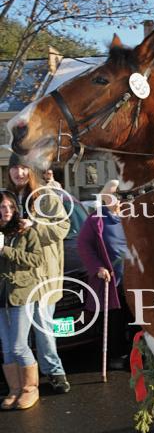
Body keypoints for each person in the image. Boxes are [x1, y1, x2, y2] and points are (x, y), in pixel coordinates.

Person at [7, 154, 71, 394]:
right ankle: (22, 379)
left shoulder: (45, 196)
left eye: (24, 168)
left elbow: (63, 227)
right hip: (15, 274)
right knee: (16, 331)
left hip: (42, 272)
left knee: (43, 327)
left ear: (31, 170)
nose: (19, 173)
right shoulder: (6, 197)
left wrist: (35, 226)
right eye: (15, 168)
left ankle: (55, 373)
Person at [77, 180, 131, 370]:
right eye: (111, 193)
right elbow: (84, 246)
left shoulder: (132, 215)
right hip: (112, 279)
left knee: (136, 319)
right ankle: (116, 355)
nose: (116, 197)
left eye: (118, 194)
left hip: (134, 279)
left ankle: (136, 356)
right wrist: (97, 267)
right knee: (114, 321)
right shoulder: (95, 219)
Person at [0, 191, 44, 409]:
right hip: (1, 296)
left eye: (9, 207)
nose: (6, 211)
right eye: (1, 207)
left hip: (22, 292)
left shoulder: (26, 231)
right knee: (7, 348)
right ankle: (14, 389)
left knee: (19, 346)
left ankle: (30, 389)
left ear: (15, 208)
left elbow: (36, 259)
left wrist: (5, 251)